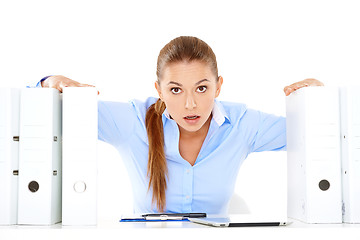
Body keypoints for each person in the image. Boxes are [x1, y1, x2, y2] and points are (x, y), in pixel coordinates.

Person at [36, 36, 323, 215]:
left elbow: (314, 135)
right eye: (175, 90)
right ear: (158, 90)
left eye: (201, 88)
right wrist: (49, 83)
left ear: (218, 86)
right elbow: (45, 117)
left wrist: (319, 100)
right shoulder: (132, 121)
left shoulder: (243, 125)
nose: (190, 105)